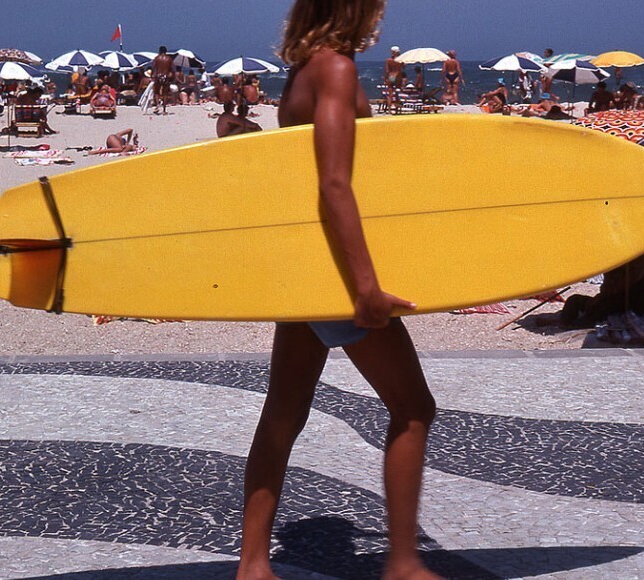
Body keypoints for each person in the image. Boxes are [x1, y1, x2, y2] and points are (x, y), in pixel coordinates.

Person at [235, 1, 440, 579]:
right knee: (413, 406)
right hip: (335, 275)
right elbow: (333, 183)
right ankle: (402, 564)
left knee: (283, 412)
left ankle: (253, 566)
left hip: (307, 269)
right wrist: (366, 288)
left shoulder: (302, 72)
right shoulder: (336, 70)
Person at [560, 254, 644, 327]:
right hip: (618, 298)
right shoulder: (615, 259)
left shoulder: (638, 260)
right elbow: (609, 287)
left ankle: (581, 324)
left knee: (602, 307)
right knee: (574, 300)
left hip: (638, 305)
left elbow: (619, 286)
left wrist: (600, 299)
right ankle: (565, 323)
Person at [152, 45, 174, 114]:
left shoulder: (157, 58)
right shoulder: (169, 59)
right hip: (166, 76)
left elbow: (153, 68)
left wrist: (152, 75)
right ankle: (164, 110)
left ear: (159, 51)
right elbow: (172, 69)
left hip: (158, 76)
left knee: (156, 92)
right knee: (165, 93)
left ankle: (157, 106)